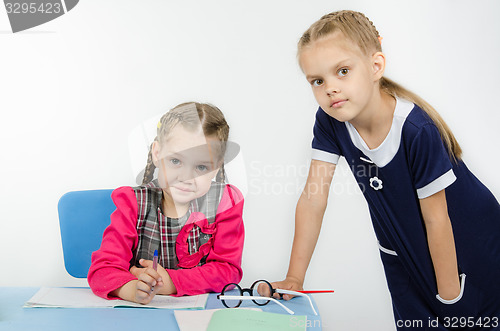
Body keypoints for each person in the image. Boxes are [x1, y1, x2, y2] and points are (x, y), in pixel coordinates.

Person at [272, 10, 500, 329]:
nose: (330, 88)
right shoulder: (330, 122)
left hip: (465, 245)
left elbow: (437, 219)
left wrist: (450, 298)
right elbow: (313, 199)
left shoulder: (416, 130)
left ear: (375, 66)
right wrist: (295, 276)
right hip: (403, 248)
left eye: (342, 71)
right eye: (318, 80)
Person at [88, 102, 244, 304]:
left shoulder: (225, 203)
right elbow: (103, 270)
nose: (186, 177)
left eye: (201, 166)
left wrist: (169, 282)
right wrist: (133, 289)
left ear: (217, 167)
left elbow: (228, 271)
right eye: (176, 161)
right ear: (157, 153)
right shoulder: (132, 203)